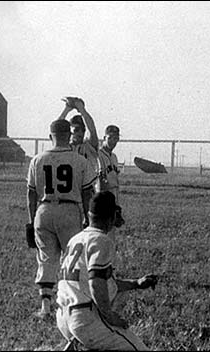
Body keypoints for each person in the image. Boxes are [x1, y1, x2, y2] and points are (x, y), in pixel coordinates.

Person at [56, 191, 158, 351]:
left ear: (89, 215)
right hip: (85, 319)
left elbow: (99, 281)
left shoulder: (75, 239)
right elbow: (96, 283)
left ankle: (79, 344)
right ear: (111, 217)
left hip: (63, 317)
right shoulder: (101, 240)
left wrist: (136, 283)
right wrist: (109, 316)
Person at [27, 119, 97, 319]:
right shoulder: (79, 160)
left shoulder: (37, 160)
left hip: (44, 210)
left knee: (46, 259)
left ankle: (45, 307)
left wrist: (32, 221)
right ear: (69, 135)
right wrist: (88, 219)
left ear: (51, 137)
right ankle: (72, 304)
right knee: (73, 258)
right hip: (69, 210)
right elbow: (87, 194)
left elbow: (31, 195)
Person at [57, 96, 100, 227]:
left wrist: (81, 108)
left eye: (80, 129)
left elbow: (92, 129)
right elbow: (56, 129)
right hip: (68, 195)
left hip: (86, 193)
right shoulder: (65, 146)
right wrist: (66, 110)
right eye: (74, 130)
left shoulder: (89, 146)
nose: (77, 133)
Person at [96, 124, 125, 241]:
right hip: (103, 200)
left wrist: (116, 206)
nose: (113, 141)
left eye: (116, 138)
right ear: (104, 138)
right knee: (102, 238)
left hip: (113, 199)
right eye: (110, 137)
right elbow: (99, 182)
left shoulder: (114, 157)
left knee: (110, 239)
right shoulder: (98, 155)